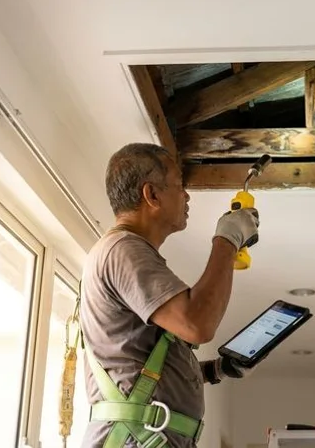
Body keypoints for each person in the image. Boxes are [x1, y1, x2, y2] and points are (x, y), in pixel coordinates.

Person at [78, 142, 260, 448]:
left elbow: (141, 369)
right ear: (151, 195)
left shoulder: (124, 254)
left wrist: (214, 370)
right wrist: (227, 239)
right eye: (179, 185)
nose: (186, 195)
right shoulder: (123, 250)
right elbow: (197, 325)